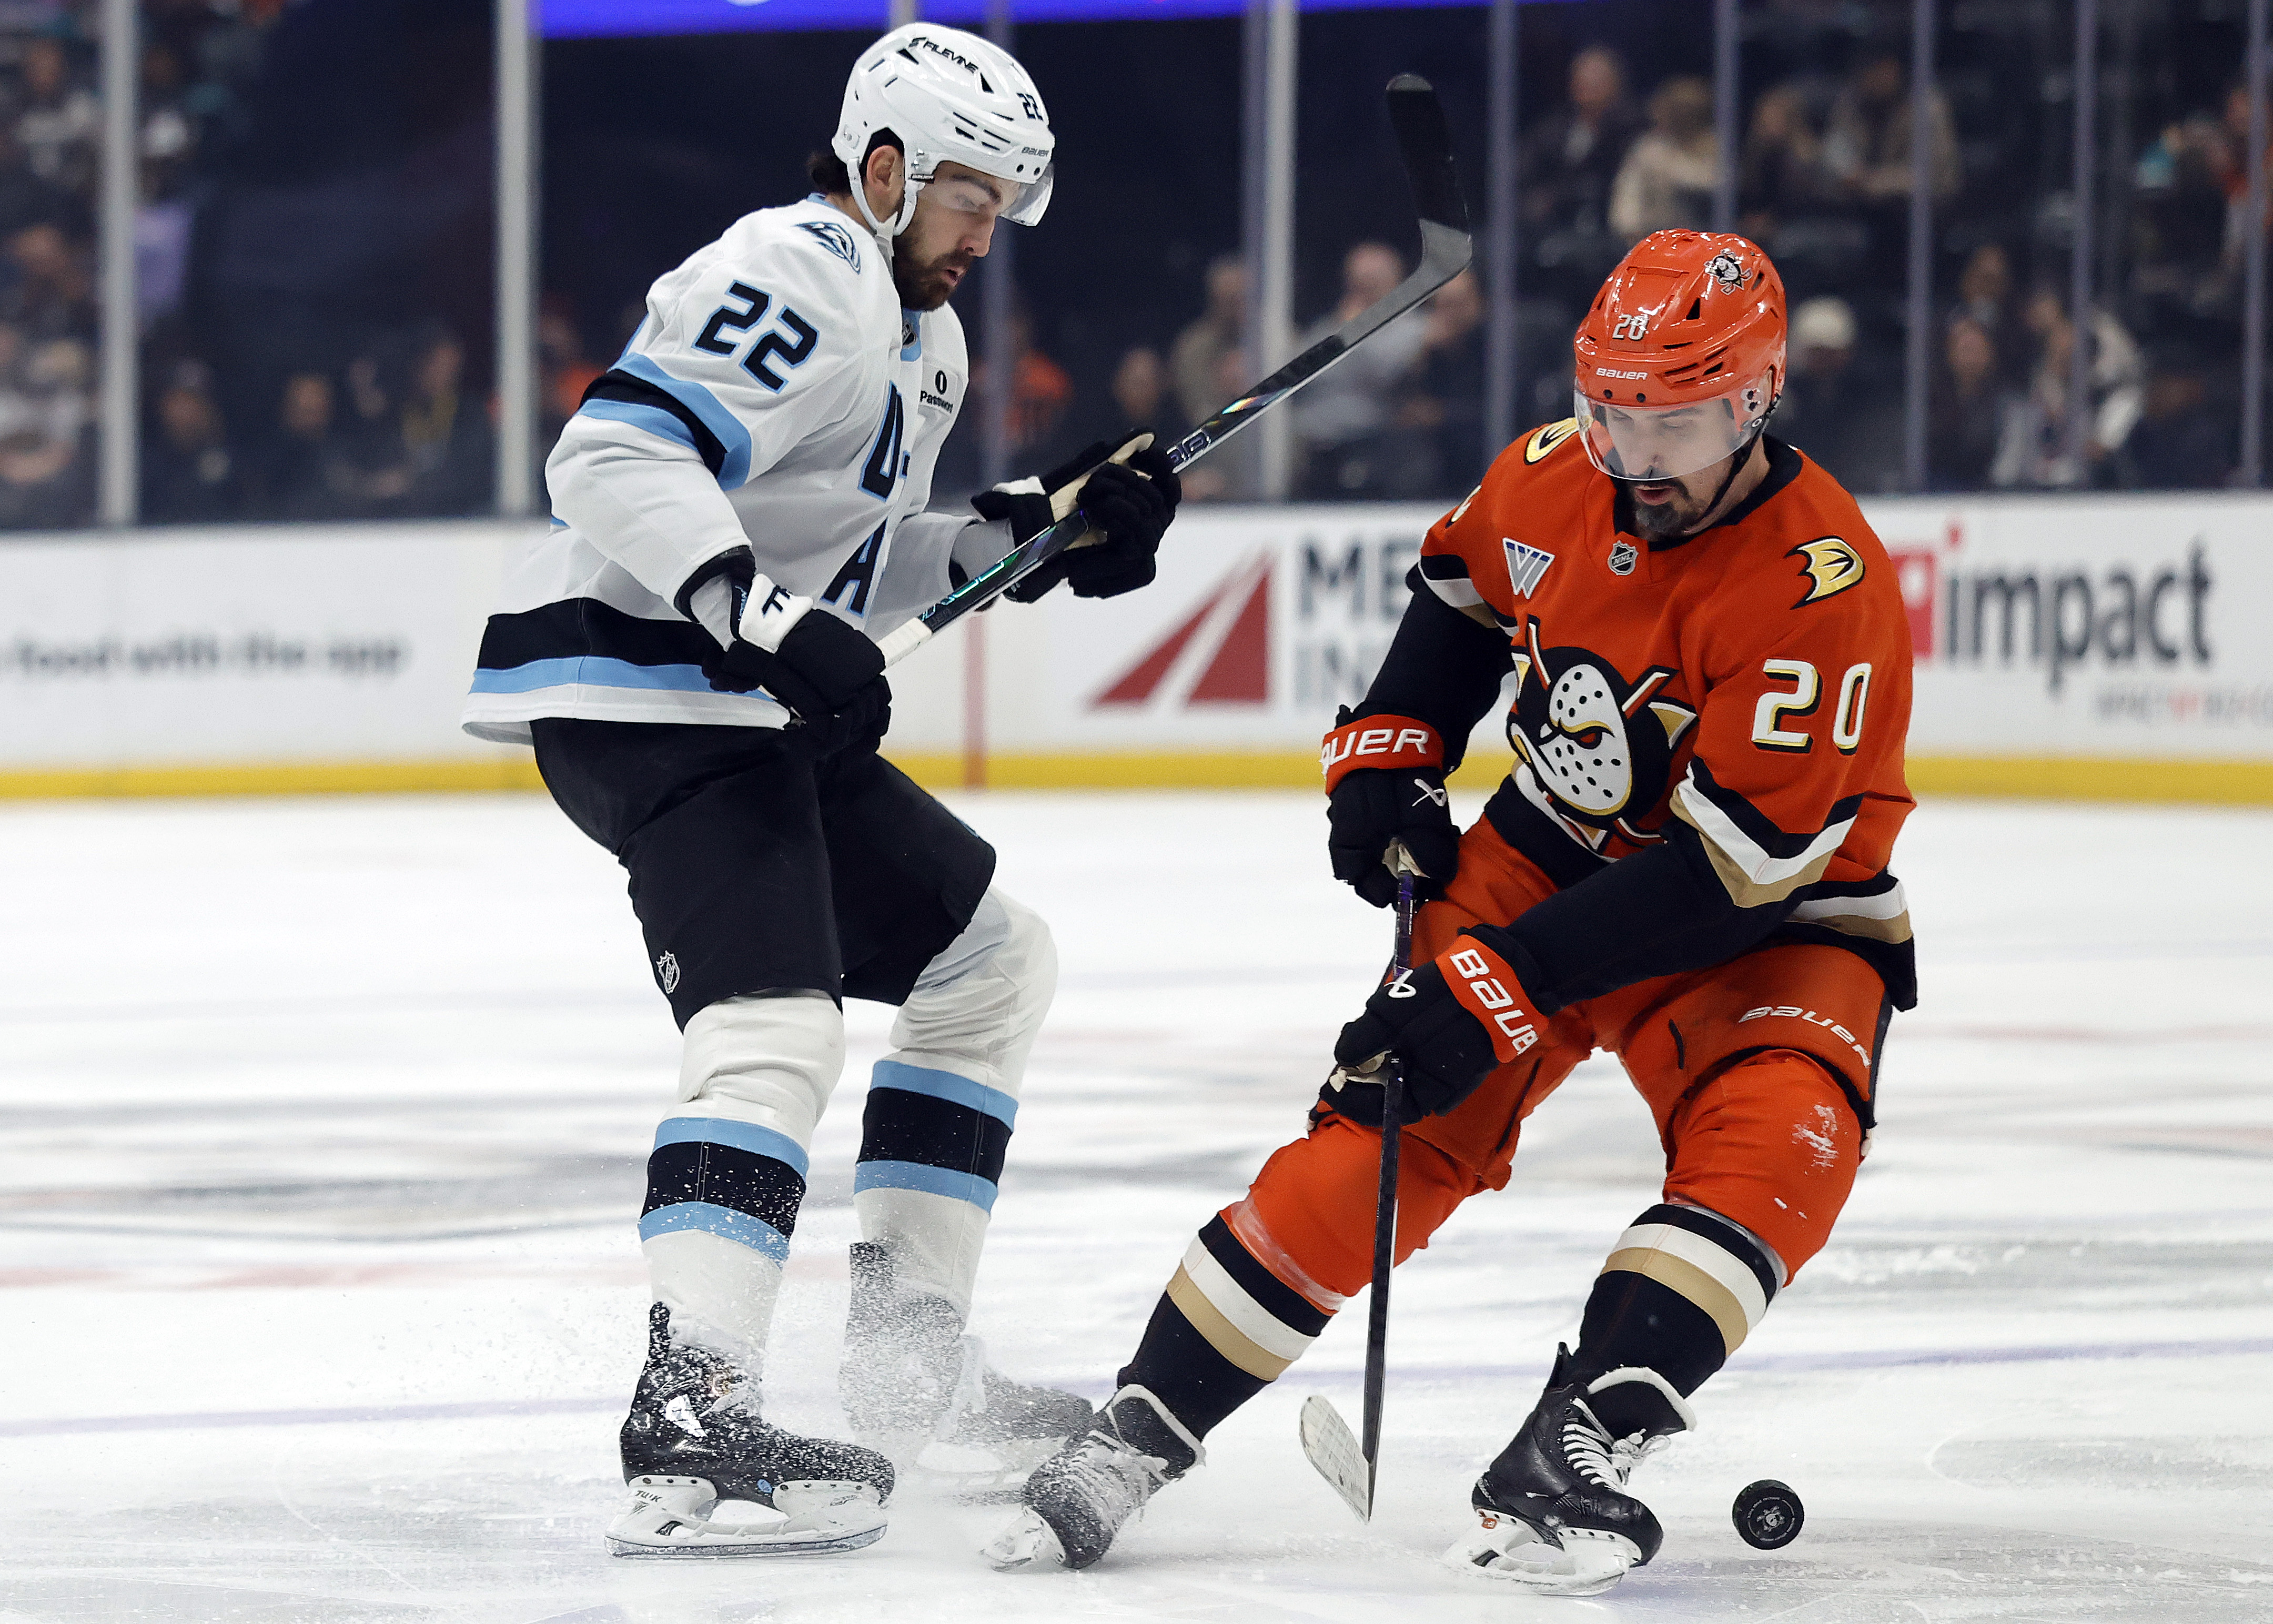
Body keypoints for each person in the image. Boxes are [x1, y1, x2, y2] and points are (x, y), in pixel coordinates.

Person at [987, 231, 1916, 1598]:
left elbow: (1728, 871)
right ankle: (1144, 1417)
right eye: (1618, 414)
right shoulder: (1552, 474)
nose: (1643, 457)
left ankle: (1576, 1435)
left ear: (1759, 402)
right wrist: (1391, 751)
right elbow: (1462, 598)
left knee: (1782, 1137)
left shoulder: (1818, 585)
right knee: (1385, 1129)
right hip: (1543, 857)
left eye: (1687, 421)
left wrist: (1500, 982)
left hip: (1771, 918)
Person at [460, 24, 1182, 1560]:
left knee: (990, 962)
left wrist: (1039, 527)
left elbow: (852, 557)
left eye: (1002, 208)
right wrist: (760, 618)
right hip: (649, 695)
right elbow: (611, 452)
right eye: (970, 197)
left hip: (730, 697)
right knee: (772, 1023)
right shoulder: (801, 272)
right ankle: (693, 1404)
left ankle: (905, 1372)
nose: (986, 234)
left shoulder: (924, 339)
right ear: (883, 166)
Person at [1292, 241, 1427, 498]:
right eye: (1356, 284)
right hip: (1314, 444)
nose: (1362, 292)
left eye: (1371, 283)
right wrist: (1344, 329)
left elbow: (1382, 374)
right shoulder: (1333, 325)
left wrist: (1356, 331)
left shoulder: (1413, 328)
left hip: (1375, 443)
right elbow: (1303, 370)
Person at [1609, 76, 1717, 242]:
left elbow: (1712, 183)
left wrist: (1671, 168)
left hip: (1706, 239)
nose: (1682, 117)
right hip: (1654, 240)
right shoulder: (1650, 149)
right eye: (1677, 110)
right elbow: (1628, 198)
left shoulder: (1714, 146)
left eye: (1687, 111)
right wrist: (1632, 233)